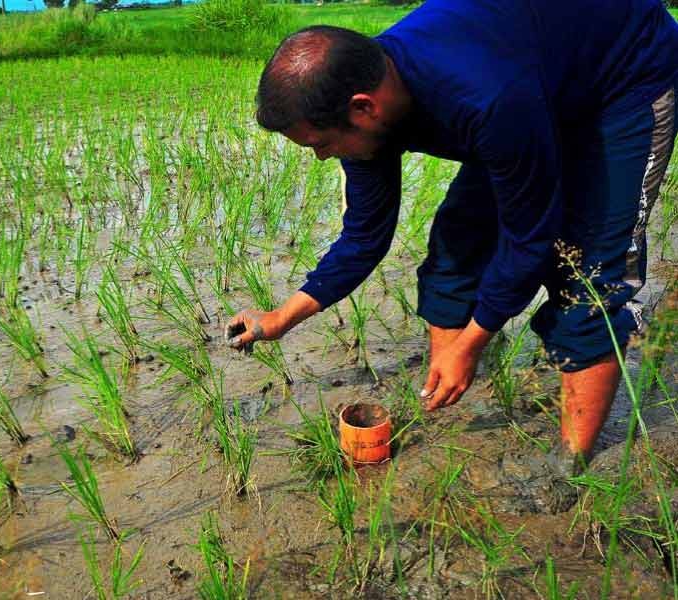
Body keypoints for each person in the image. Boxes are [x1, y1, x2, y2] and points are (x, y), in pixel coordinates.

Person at [225, 0, 678, 469]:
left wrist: (471, 342)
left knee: (587, 275)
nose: (323, 157)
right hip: (533, 78)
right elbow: (365, 236)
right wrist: (282, 317)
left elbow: (528, 239)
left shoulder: (483, 97)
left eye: (321, 145)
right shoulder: (368, 101)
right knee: (456, 244)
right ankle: (441, 390)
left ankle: (570, 464)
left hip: (623, 79)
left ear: (363, 107)